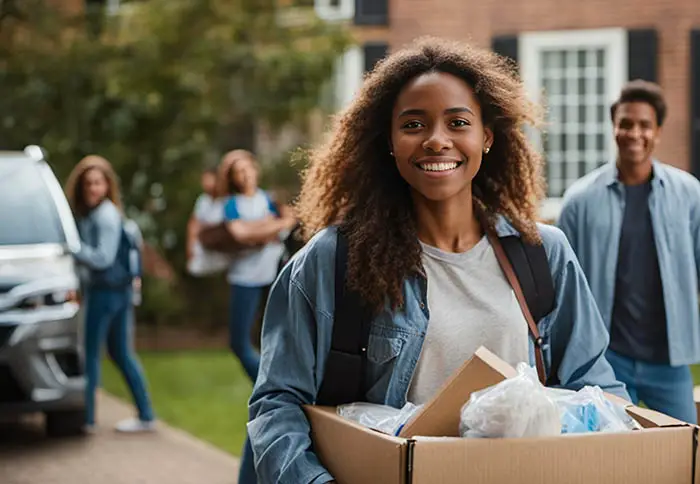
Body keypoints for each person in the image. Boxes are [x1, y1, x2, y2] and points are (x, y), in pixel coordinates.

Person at [247, 37, 628, 484]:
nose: (436, 140)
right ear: (389, 140)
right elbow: (277, 404)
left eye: (458, 122)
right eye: (413, 124)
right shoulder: (333, 262)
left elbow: (596, 389)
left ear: (486, 136)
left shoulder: (543, 254)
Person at [558, 80, 700, 424]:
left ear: (658, 131)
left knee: (685, 449)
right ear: (614, 128)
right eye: (626, 123)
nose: (634, 133)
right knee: (608, 453)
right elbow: (559, 287)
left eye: (644, 125)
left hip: (669, 357)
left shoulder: (689, 194)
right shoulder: (579, 201)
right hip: (607, 358)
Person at [218, 149, 296, 484]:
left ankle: (267, 385)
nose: (244, 174)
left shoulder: (266, 199)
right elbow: (240, 235)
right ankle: (264, 384)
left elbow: (288, 222)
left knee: (272, 343)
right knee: (238, 342)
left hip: (273, 276)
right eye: (238, 171)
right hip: (244, 279)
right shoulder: (232, 204)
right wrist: (268, 228)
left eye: (248, 168)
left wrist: (262, 229)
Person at [65, 155, 156, 433]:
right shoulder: (108, 214)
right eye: (88, 183)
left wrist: (71, 248)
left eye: (97, 183)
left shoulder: (103, 216)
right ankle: (146, 414)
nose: (93, 188)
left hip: (106, 293)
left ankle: (87, 418)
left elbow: (102, 258)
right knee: (121, 353)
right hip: (120, 293)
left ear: (107, 186)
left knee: (91, 354)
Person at [186, 167, 231, 276]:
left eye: (209, 180)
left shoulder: (228, 201)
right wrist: (190, 246)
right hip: (203, 252)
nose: (206, 184)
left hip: (222, 253)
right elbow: (194, 224)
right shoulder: (203, 201)